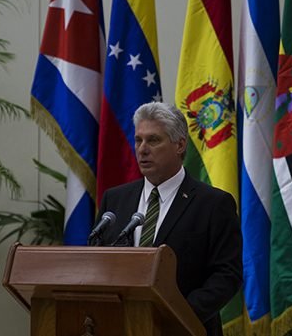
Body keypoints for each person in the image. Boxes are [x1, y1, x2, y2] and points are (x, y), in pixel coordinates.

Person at [95, 101, 242, 336]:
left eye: (153, 140)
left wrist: (175, 315)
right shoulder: (115, 200)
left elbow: (227, 275)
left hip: (184, 329)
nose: (142, 149)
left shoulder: (213, 204)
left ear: (180, 145)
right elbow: (98, 260)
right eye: (138, 140)